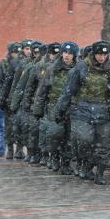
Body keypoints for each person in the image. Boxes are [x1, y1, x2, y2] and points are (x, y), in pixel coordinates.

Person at [55, 40, 110, 185]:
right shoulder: (82, 67)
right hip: (82, 110)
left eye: (105, 54)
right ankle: (84, 164)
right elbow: (68, 90)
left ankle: (99, 172)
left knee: (103, 144)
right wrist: (60, 109)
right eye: (99, 54)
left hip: (104, 111)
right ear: (94, 54)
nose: (102, 57)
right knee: (83, 140)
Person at [33, 41, 77, 174]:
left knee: (69, 137)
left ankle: (65, 162)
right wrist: (38, 109)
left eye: (70, 53)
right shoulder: (52, 69)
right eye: (65, 52)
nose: (67, 56)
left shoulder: (79, 69)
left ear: (74, 55)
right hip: (54, 106)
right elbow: (42, 91)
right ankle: (54, 157)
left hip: (72, 107)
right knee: (54, 134)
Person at [0, 42, 21, 159]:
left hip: (19, 99)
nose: (17, 55)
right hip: (8, 100)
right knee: (9, 126)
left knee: (20, 125)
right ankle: (10, 148)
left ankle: (19, 149)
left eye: (18, 52)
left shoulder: (22, 63)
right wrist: (1, 99)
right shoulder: (2, 64)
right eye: (15, 52)